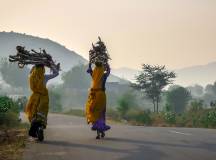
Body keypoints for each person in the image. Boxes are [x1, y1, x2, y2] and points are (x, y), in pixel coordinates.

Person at [25, 64, 59, 141]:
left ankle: (35, 131)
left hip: (34, 98)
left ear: (35, 68)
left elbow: (31, 72)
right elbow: (56, 73)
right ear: (43, 69)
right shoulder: (45, 77)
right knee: (42, 114)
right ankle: (40, 128)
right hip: (44, 98)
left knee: (33, 114)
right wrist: (51, 65)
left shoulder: (31, 77)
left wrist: (34, 66)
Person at [85, 62, 111, 139]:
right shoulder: (104, 76)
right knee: (101, 113)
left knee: (95, 112)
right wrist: (107, 65)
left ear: (96, 69)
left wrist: (90, 65)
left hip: (94, 96)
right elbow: (108, 71)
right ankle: (101, 131)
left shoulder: (94, 75)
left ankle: (98, 133)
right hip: (102, 96)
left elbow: (90, 71)